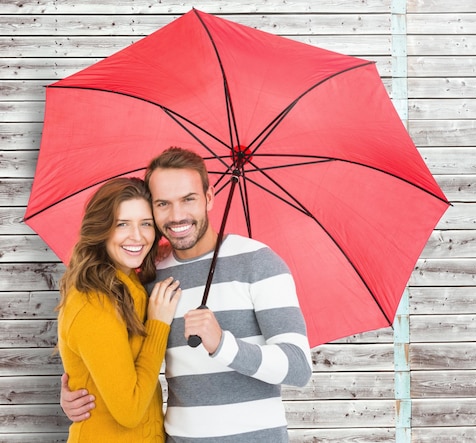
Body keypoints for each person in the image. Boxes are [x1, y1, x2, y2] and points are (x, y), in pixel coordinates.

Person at [61, 147, 313, 442]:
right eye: (163, 204)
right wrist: (78, 389)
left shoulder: (258, 262)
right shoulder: (150, 276)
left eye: (188, 199)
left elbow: (299, 368)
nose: (177, 215)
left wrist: (223, 345)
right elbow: (113, 351)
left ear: (208, 198)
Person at [57, 177, 183, 442]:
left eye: (146, 223)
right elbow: (129, 411)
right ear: (101, 229)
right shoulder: (94, 300)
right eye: (122, 224)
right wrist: (158, 325)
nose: (137, 236)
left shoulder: (133, 285)